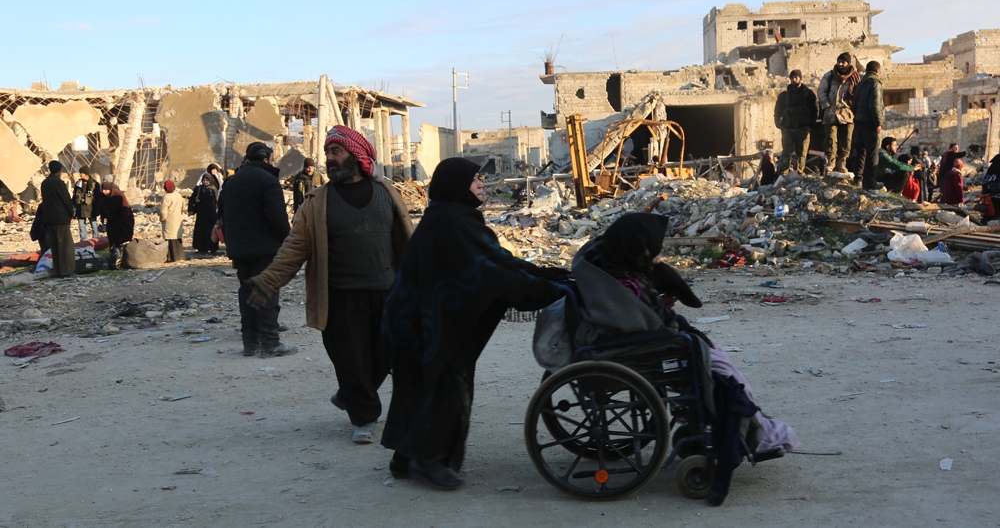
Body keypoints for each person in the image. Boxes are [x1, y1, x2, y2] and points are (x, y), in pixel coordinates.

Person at [572, 212, 798, 506]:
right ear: (638, 250)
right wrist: (671, 323)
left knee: (718, 359)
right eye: (657, 247)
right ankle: (757, 429)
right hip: (645, 348)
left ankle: (754, 424)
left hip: (644, 342)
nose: (662, 250)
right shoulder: (624, 285)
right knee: (724, 373)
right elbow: (642, 325)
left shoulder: (619, 270)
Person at [380, 157, 568, 489]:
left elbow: (499, 260)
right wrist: (542, 289)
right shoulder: (450, 223)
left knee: (422, 386)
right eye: (475, 178)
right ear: (457, 184)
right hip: (424, 323)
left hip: (416, 319)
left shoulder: (454, 218)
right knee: (447, 387)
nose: (482, 183)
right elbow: (489, 274)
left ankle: (405, 458)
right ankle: (428, 461)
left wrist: (546, 275)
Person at [246, 125, 413, 444]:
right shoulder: (317, 202)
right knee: (351, 360)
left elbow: (407, 240)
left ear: (357, 154)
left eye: (336, 151)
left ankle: (351, 394)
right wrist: (267, 282)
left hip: (387, 293)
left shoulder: (387, 192)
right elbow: (294, 248)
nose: (329, 158)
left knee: (387, 355)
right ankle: (364, 416)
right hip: (340, 298)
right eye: (327, 153)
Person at [218, 142, 296, 358]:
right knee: (266, 292)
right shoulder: (268, 180)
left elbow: (221, 212)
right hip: (265, 248)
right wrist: (288, 241)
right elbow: (277, 218)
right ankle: (270, 343)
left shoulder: (231, 182)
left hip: (239, 249)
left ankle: (250, 343)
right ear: (266, 158)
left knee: (246, 293)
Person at [818, 52, 860, 174]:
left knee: (846, 140)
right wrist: (827, 106)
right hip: (831, 113)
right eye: (839, 62)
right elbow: (821, 91)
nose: (840, 64)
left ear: (848, 63)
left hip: (847, 114)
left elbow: (858, 95)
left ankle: (842, 162)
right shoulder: (829, 76)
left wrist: (853, 110)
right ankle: (831, 162)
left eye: (843, 62)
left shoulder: (855, 78)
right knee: (830, 139)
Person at [773, 69, 818, 176]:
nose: (794, 80)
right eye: (792, 78)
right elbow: (777, 111)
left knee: (802, 153)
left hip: (803, 128)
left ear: (800, 79)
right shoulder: (784, 96)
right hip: (788, 128)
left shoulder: (808, 94)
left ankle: (799, 173)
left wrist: (811, 124)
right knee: (786, 152)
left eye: (796, 77)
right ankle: (783, 174)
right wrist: (779, 125)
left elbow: (815, 110)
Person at [850, 61, 885, 190]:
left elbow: (854, 105)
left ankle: (858, 178)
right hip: (870, 123)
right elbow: (875, 105)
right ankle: (869, 181)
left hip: (860, 121)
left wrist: (857, 117)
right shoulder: (875, 83)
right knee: (872, 153)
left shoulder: (861, 84)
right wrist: (878, 122)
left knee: (861, 151)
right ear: (877, 71)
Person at [40, 160, 76, 278]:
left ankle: (57, 270)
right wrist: (71, 213)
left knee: (54, 245)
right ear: (59, 171)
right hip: (61, 218)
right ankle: (67, 270)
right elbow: (66, 200)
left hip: (49, 218)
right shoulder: (59, 183)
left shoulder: (45, 183)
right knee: (65, 245)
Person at [99, 182, 135, 270]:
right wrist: (103, 218)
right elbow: (102, 207)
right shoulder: (102, 196)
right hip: (112, 220)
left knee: (123, 240)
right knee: (112, 239)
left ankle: (124, 259)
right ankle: (114, 258)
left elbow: (125, 209)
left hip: (124, 221)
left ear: (109, 190)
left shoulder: (119, 195)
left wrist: (121, 222)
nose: (104, 192)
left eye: (106, 190)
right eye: (103, 190)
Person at [188, 175, 219, 255]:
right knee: (201, 230)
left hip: (212, 213)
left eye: (207, 180)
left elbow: (217, 201)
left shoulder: (214, 189)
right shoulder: (199, 189)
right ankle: (202, 248)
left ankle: (212, 248)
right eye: (204, 180)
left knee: (211, 231)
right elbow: (192, 199)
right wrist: (191, 209)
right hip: (202, 213)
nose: (205, 182)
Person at [72, 166, 101, 240]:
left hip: (91, 209)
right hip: (80, 209)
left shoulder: (95, 184)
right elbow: (75, 196)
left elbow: (98, 197)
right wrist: (73, 207)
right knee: (82, 228)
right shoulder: (78, 183)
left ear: (86, 174)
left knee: (94, 226)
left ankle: (96, 240)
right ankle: (83, 242)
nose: (80, 174)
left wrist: (98, 209)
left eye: (81, 173)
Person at [159, 180, 185, 262]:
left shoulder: (166, 197)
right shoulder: (178, 195)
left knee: (170, 237)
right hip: (178, 217)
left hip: (169, 219)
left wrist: (162, 218)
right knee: (177, 236)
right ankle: (179, 256)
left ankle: (171, 257)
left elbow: (163, 211)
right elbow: (183, 206)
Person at [978, 153, 1000, 221]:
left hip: (990, 193)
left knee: (990, 210)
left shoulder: (992, 168)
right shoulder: (995, 169)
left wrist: (984, 193)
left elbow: (986, 181)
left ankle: (987, 221)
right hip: (996, 193)